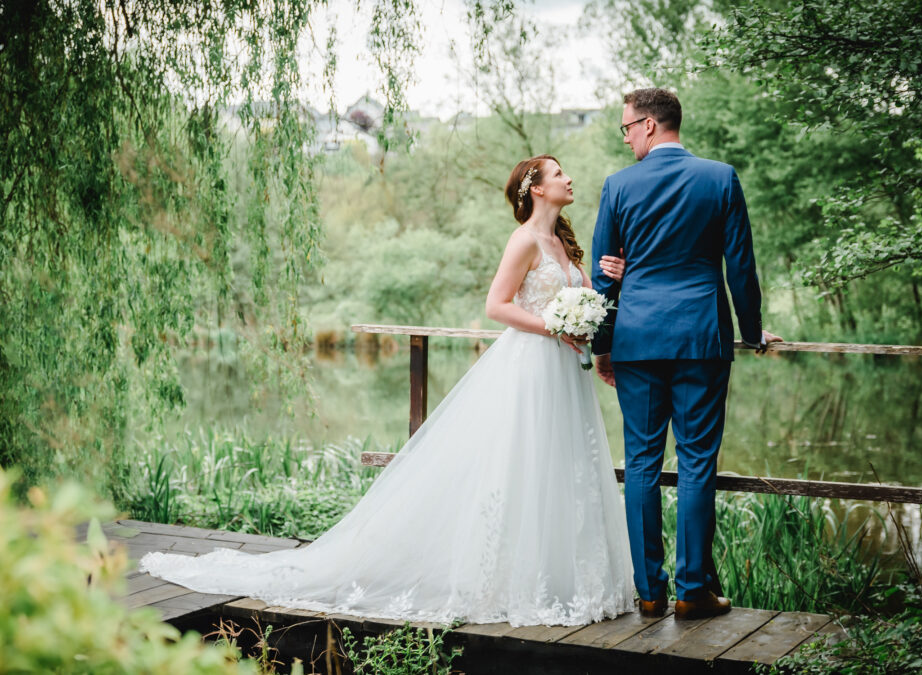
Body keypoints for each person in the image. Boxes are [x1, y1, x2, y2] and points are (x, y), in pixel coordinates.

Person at [140, 155, 636, 626]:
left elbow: (578, 300)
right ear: (536, 189)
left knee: (559, 467)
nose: (569, 179)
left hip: (565, 369)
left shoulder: (564, 246)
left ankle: (561, 580)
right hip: (531, 365)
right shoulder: (524, 240)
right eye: (559, 173)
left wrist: (596, 296)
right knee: (521, 464)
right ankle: (511, 581)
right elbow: (497, 306)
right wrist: (552, 328)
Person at [590, 88, 782, 620]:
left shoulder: (618, 186)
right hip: (701, 338)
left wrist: (604, 347)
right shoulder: (720, 177)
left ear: (651, 125)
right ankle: (693, 590)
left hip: (637, 340)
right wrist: (753, 332)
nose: (625, 136)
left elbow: (603, 278)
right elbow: (741, 267)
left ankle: (649, 591)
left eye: (627, 126)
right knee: (697, 462)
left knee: (642, 463)